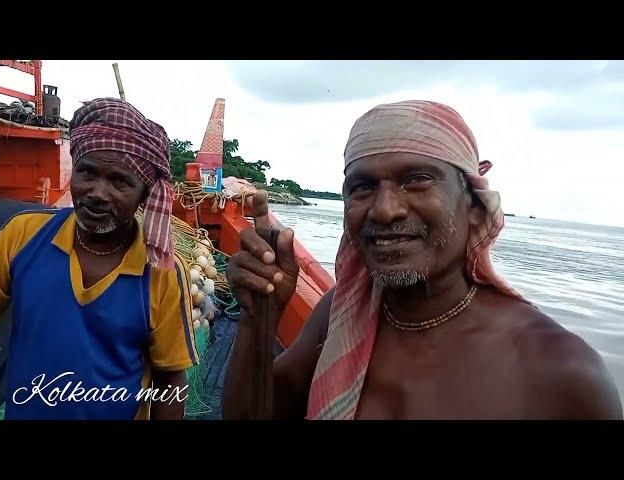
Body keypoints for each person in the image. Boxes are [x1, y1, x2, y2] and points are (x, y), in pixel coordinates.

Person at [223, 100, 622, 420]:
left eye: (416, 180)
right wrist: (259, 317)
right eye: (362, 187)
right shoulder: (340, 313)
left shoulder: (561, 371)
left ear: (475, 208)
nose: (384, 210)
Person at [0, 98, 198, 419]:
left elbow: (169, 379)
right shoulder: (23, 235)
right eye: (87, 172)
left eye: (119, 181)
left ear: (144, 194)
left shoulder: (162, 270)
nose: (97, 192)